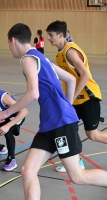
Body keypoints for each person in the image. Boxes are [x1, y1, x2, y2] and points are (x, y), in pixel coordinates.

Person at [0, 23, 107, 200]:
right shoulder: (42, 57)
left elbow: (33, 93)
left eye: (8, 43)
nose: (9, 47)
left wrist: (6, 112)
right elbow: (71, 79)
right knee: (28, 170)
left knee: (78, 176)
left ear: (13, 40)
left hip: (60, 123)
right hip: (49, 124)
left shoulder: (27, 59)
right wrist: (69, 105)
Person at [46, 20, 106, 173]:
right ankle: (76, 160)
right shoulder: (60, 53)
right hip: (75, 99)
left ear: (60, 35)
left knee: (92, 135)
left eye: (51, 35)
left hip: (88, 97)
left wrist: (70, 98)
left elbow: (85, 75)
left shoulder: (70, 51)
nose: (49, 38)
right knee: (67, 128)